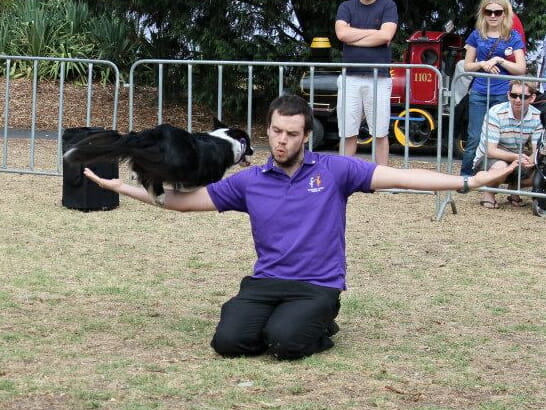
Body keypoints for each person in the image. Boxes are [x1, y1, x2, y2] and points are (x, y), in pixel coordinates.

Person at [84, 94, 518, 361]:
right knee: (228, 343)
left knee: (287, 344)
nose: (281, 141)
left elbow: (402, 176)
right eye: (275, 131)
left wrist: (468, 181)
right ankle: (279, 320)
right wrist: (123, 186)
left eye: (291, 133)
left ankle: (319, 326)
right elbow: (184, 202)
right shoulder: (250, 181)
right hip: (265, 282)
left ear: (306, 135)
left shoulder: (335, 170)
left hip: (317, 285)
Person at [459, 0, 526, 177]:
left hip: (503, 94)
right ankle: (466, 176)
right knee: (474, 136)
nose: (493, 15)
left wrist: (500, 60)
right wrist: (482, 64)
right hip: (479, 92)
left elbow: (521, 69)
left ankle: (502, 177)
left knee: (503, 139)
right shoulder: (476, 35)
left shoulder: (513, 37)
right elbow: (467, 66)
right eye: (489, 12)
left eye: (498, 12)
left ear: (505, 13)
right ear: (483, 13)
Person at [335, 0, 398, 165]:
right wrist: (374, 34)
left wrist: (352, 36)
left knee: (380, 132)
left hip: (379, 79)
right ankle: (344, 176)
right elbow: (341, 34)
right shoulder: (346, 6)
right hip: (349, 78)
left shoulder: (388, 5)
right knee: (347, 132)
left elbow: (386, 35)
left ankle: (382, 177)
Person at [473, 80, 543, 209]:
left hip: (518, 158)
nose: (517, 100)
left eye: (523, 96)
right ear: (508, 95)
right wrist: (517, 157)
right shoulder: (496, 112)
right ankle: (489, 195)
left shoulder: (537, 116)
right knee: (500, 165)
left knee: (541, 170)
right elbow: (491, 151)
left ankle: (513, 190)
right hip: (488, 160)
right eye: (513, 95)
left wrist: (533, 159)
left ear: (532, 98)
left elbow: (536, 149)